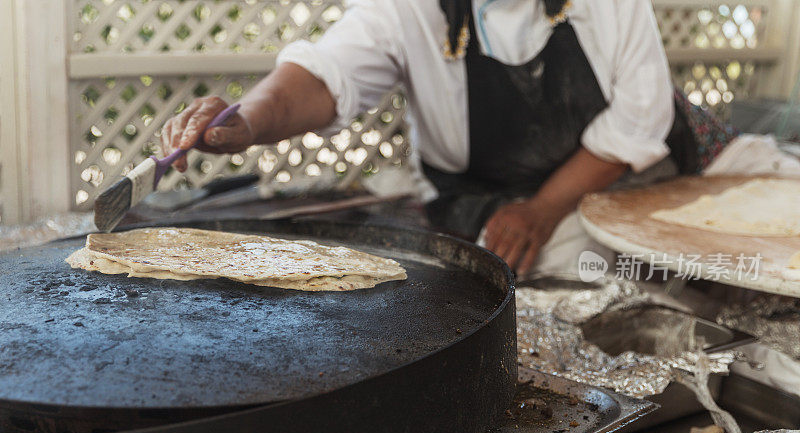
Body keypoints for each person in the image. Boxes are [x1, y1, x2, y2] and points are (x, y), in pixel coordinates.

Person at [161, 0, 799, 275]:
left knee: (781, 212)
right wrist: (245, 121)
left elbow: (640, 120)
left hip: (659, 162)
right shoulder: (408, 10)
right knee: (597, 272)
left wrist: (546, 206)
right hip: (505, 197)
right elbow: (321, 78)